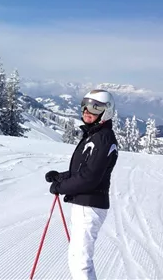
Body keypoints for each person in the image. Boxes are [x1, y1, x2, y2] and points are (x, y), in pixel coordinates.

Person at [45, 89, 118, 280]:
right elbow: (82, 171)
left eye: (95, 107)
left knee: (81, 262)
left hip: (90, 206)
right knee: (77, 259)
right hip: (84, 204)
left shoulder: (103, 138)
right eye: (85, 105)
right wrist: (60, 177)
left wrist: (60, 188)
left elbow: (89, 178)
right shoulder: (94, 135)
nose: (87, 111)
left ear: (106, 111)